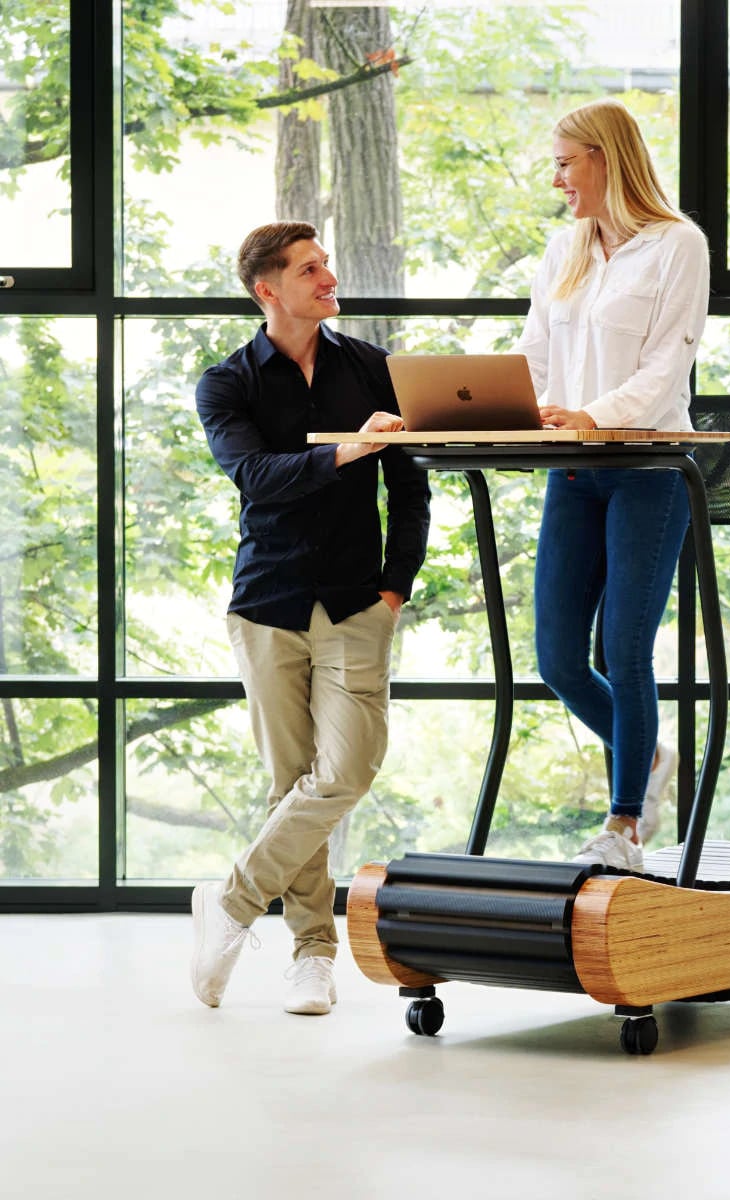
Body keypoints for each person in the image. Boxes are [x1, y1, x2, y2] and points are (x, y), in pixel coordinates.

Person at [191, 221, 431, 1015]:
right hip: (267, 603)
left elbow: (412, 488)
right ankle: (311, 954)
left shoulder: (372, 369)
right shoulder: (226, 384)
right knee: (288, 783)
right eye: (310, 269)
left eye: (327, 263)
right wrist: (346, 452)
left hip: (360, 601)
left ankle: (229, 903)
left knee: (346, 771)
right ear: (268, 290)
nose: (329, 277)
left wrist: (397, 587)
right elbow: (257, 477)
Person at [514, 98, 709, 872]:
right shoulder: (566, 247)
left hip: (646, 470)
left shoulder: (676, 246)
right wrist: (514, 411)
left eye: (566, 162)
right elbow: (534, 354)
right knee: (559, 658)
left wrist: (589, 415)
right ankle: (651, 757)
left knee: (623, 646)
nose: (557, 178)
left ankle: (625, 824)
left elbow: (667, 370)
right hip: (572, 469)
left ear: (606, 159)